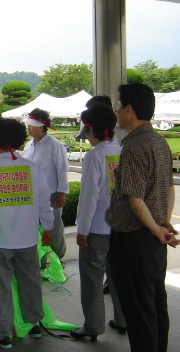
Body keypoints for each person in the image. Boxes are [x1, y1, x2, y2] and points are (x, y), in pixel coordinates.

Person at [106, 83, 180, 352]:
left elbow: (135, 203)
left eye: (118, 106)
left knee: (139, 314)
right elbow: (169, 189)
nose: (115, 111)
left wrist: (155, 227)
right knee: (156, 305)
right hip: (154, 238)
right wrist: (163, 224)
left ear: (129, 110)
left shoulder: (135, 147)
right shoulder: (159, 142)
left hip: (135, 239)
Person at [0, 118, 53, 349]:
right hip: (28, 239)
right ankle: (35, 323)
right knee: (31, 281)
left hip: (0, 240)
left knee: (1, 286)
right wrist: (48, 227)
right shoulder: (32, 167)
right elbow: (45, 202)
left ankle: (2, 333)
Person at [70, 102, 126, 341]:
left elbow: (89, 197)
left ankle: (92, 326)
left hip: (98, 229)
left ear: (92, 129)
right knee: (119, 277)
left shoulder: (94, 156)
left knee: (92, 279)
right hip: (121, 227)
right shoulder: (121, 151)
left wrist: (82, 230)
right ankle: (123, 320)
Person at [22, 108, 69, 267]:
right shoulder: (29, 145)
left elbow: (62, 169)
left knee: (54, 227)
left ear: (42, 126)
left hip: (51, 194)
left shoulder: (54, 145)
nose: (29, 128)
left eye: (32, 125)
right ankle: (40, 261)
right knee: (36, 229)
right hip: (32, 194)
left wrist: (62, 192)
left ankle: (59, 259)